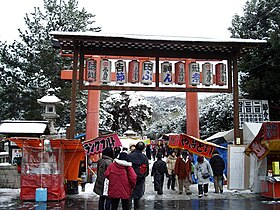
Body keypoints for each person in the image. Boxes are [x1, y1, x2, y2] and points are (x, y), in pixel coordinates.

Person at [127, 141, 149, 210]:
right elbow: (147, 170)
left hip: (129, 179)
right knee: (137, 198)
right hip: (140, 179)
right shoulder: (144, 157)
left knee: (129, 196)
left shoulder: (129, 156)